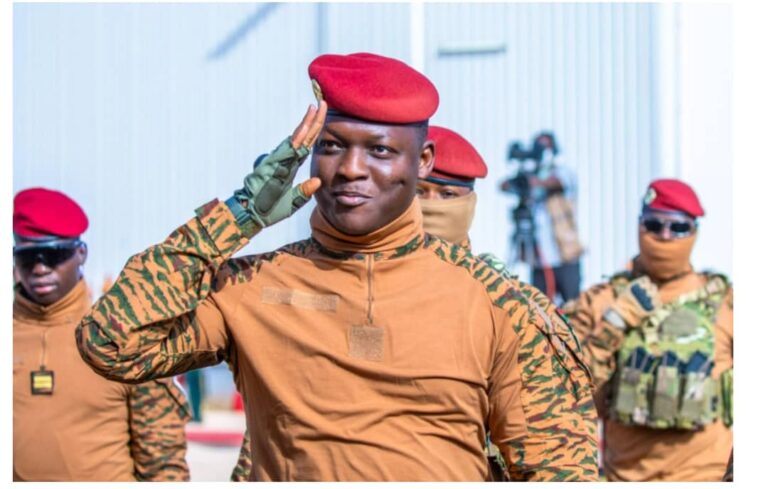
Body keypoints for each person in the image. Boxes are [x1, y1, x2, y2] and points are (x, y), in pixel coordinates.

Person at [76, 52, 597, 481]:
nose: (350, 169)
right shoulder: (251, 286)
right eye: (331, 146)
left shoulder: (496, 303)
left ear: (422, 162)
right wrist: (238, 215)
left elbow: (559, 470)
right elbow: (111, 344)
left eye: (379, 151)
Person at [229, 125, 599, 482]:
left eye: (448, 196)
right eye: (422, 192)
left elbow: (556, 459)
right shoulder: (316, 284)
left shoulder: (502, 305)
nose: (433, 207)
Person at [13, 187, 192, 481]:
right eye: (28, 257)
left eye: (54, 255)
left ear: (81, 253)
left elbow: (163, 462)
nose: (41, 268)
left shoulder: (123, 337)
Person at [562, 179, 733, 481]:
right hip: (626, 477)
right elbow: (565, 396)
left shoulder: (727, 304)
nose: (665, 236)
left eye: (678, 228)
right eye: (654, 225)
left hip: (707, 475)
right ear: (640, 225)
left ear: (694, 232)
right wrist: (613, 324)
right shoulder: (601, 302)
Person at [501, 132, 583, 303]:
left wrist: (534, 181)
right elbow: (504, 186)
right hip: (539, 260)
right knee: (539, 307)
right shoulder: (531, 173)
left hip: (564, 257)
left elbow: (556, 183)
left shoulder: (563, 172)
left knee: (573, 307)